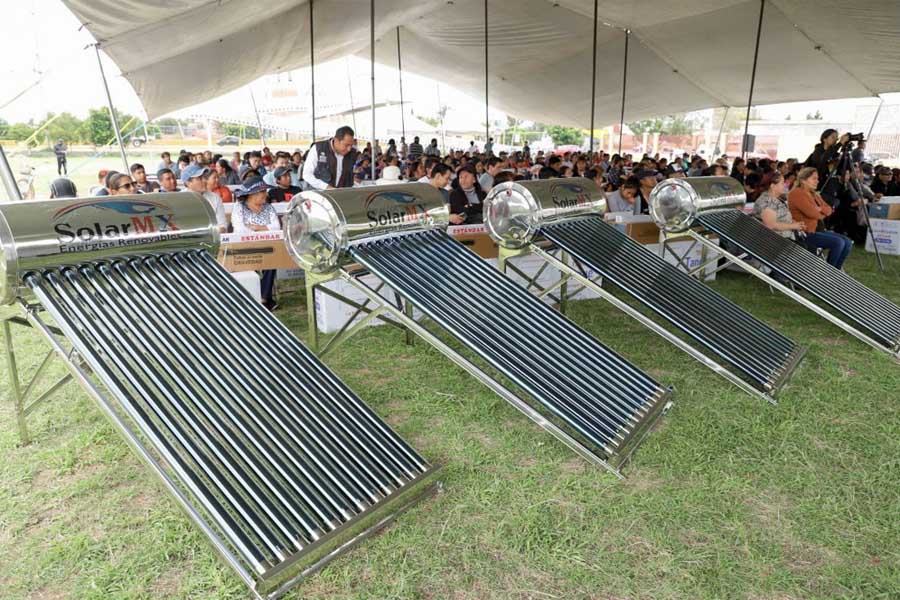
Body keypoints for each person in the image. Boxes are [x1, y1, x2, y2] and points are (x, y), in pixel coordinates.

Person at [788, 167, 852, 268]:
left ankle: (836, 272)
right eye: (814, 178)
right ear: (803, 180)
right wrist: (820, 211)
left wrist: (819, 209)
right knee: (838, 242)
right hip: (804, 233)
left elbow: (829, 210)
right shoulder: (797, 193)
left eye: (817, 178)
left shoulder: (813, 194)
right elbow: (814, 214)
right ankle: (828, 272)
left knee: (847, 242)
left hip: (816, 230)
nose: (817, 181)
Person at [232, 176, 280, 310]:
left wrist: (255, 227)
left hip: (266, 245)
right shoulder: (239, 207)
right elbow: (241, 229)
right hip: (244, 246)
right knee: (255, 257)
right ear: (252, 194)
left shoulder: (268, 208)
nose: (266, 194)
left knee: (272, 259)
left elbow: (276, 227)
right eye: (262, 192)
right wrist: (265, 228)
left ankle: (263, 298)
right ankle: (260, 297)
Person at [302, 125, 359, 190]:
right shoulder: (318, 148)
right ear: (336, 141)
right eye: (346, 145)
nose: (349, 149)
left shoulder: (352, 154)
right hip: (318, 194)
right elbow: (307, 174)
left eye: (351, 145)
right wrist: (326, 187)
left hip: (340, 196)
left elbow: (349, 177)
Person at [753, 172, 804, 238]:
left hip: (788, 237)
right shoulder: (766, 201)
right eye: (782, 183)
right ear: (773, 186)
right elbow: (771, 225)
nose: (784, 185)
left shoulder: (776, 198)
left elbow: (781, 217)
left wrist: (794, 223)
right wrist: (793, 226)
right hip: (778, 241)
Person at [182, 164, 227, 232]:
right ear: (188, 183)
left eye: (204, 177)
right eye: (199, 178)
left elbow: (222, 227)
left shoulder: (215, 198)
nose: (204, 181)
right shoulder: (180, 199)